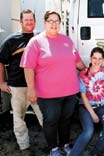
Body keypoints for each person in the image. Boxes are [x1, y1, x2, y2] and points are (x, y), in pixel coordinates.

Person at [20, 11, 85, 156]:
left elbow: (77, 62)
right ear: (45, 22)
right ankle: (53, 149)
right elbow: (28, 67)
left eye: (57, 21)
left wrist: (89, 70)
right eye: (51, 21)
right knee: (51, 121)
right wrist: (31, 89)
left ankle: (65, 144)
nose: (54, 24)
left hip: (70, 91)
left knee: (66, 120)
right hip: (48, 94)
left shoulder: (67, 40)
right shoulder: (36, 42)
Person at [0, 9, 43, 156]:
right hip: (17, 87)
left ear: (35, 21)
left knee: (46, 116)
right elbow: (1, 61)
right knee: (19, 119)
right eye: (26, 20)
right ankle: (24, 148)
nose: (29, 22)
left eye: (32, 20)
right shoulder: (11, 40)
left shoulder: (40, 38)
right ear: (21, 21)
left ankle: (53, 146)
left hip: (38, 86)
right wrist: (1, 82)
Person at [70, 47, 104, 156]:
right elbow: (83, 96)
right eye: (94, 58)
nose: (97, 61)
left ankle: (96, 153)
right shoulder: (83, 74)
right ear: (90, 58)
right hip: (85, 107)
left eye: (100, 59)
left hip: (102, 106)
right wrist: (93, 114)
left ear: (103, 60)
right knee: (88, 131)